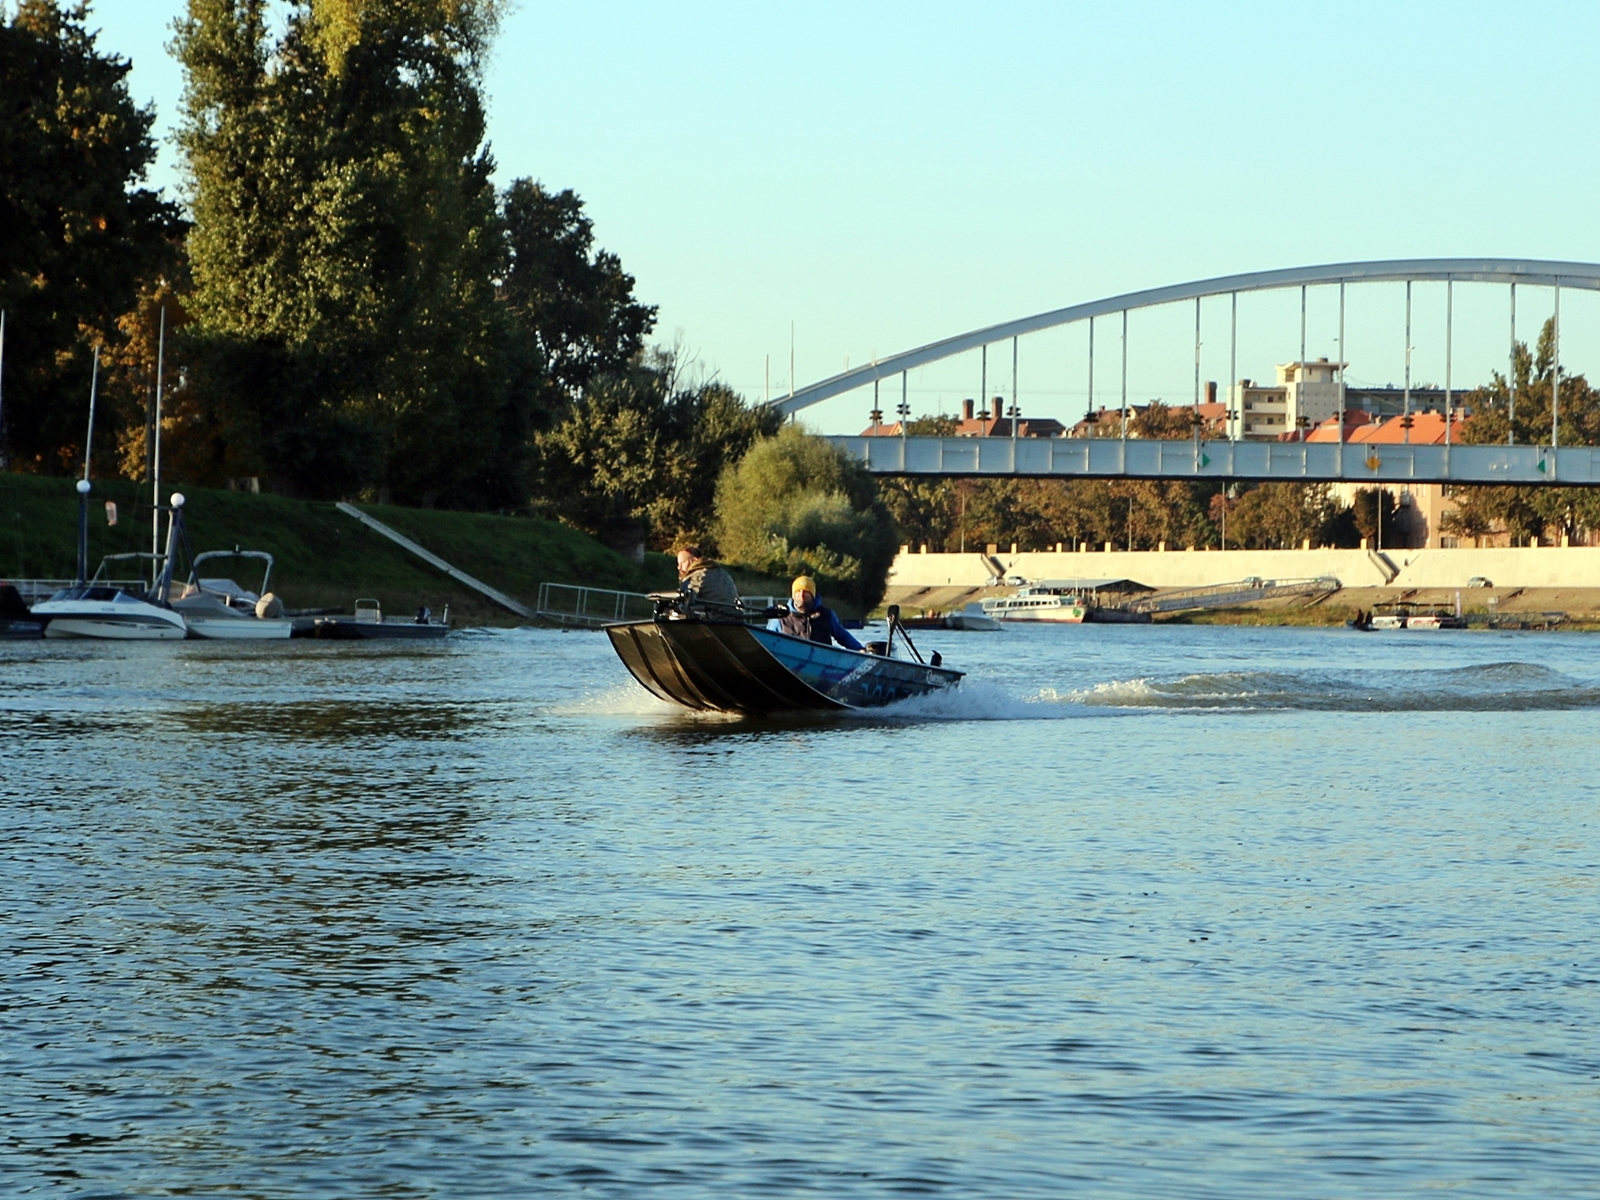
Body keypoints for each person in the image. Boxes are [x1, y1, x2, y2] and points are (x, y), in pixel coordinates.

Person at [772, 575, 862, 650]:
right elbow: (767, 640)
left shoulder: (827, 615)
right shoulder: (780, 617)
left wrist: (859, 649)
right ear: (793, 595)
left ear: (812, 595)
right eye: (798, 591)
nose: (802, 595)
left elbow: (843, 636)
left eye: (806, 592)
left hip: (822, 663)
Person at [675, 545, 739, 609]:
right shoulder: (723, 573)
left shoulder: (696, 576)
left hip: (714, 617)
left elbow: (685, 598)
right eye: (678, 564)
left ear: (694, 560)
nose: (679, 567)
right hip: (735, 616)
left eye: (682, 562)